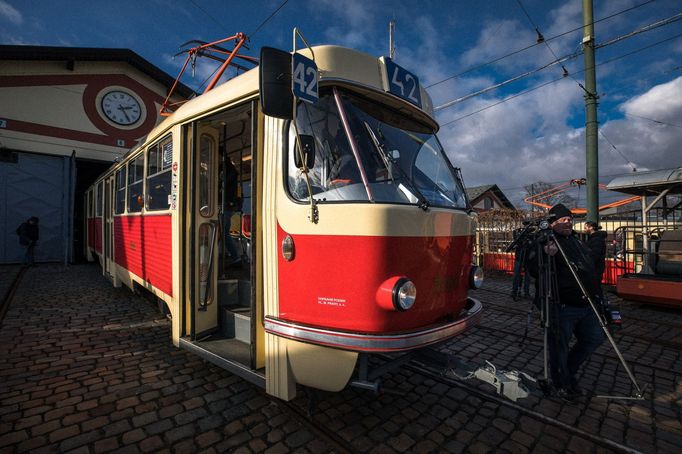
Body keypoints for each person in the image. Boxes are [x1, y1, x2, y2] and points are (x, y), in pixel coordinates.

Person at [530, 204, 605, 401]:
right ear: (553, 222)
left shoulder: (575, 241)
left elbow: (589, 262)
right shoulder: (545, 240)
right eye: (564, 220)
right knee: (559, 347)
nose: (568, 222)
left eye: (570, 219)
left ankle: (568, 371)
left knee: (594, 338)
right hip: (561, 305)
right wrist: (545, 254)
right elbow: (533, 267)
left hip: (587, 303)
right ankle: (561, 381)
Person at [584, 221, 607, 289]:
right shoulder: (596, 238)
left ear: (591, 228)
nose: (584, 230)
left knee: (595, 287)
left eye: (585, 228)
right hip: (597, 267)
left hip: (595, 267)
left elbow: (594, 254)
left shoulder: (596, 239)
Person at [511, 226, 532, 300]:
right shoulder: (518, 233)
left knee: (527, 277)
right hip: (519, 257)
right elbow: (515, 243)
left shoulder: (532, 235)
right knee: (517, 275)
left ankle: (526, 292)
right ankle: (515, 291)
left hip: (527, 258)